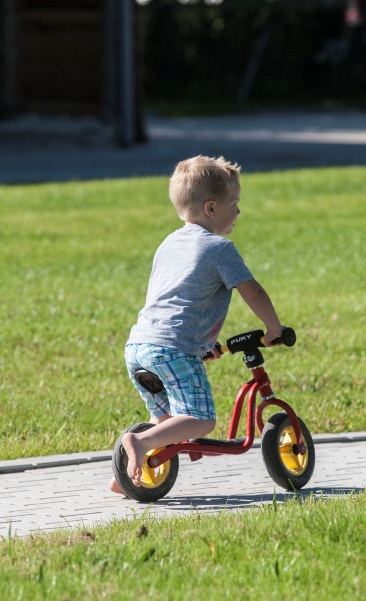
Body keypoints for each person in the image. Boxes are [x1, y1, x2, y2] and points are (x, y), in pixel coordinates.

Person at [110, 155, 284, 493]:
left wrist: (205, 346)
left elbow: (177, 301)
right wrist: (274, 328)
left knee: (171, 420)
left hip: (139, 346)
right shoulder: (220, 248)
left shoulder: (168, 244)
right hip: (172, 349)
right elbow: (254, 292)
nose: (239, 212)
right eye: (235, 204)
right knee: (201, 419)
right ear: (211, 208)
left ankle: (129, 474)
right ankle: (139, 444)